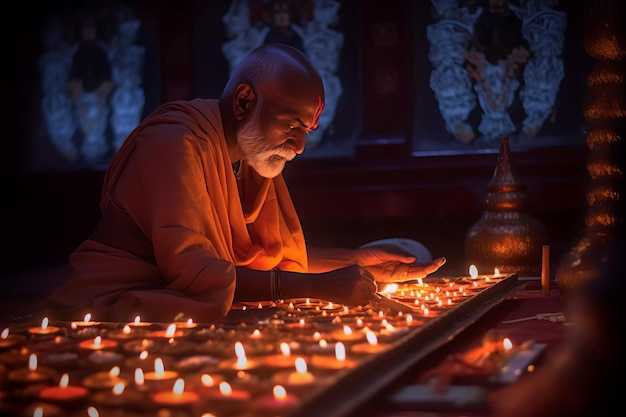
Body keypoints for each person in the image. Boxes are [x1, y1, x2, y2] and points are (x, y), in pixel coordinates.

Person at [46, 43, 446, 323]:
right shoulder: (175, 143)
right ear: (243, 102)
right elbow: (199, 274)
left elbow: (256, 261)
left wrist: (357, 263)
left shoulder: (250, 161)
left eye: (307, 130)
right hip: (111, 304)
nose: (300, 146)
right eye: (291, 125)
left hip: (184, 298)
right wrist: (322, 287)